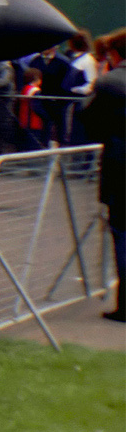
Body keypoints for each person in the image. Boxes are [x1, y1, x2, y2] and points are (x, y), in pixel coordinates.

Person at [77, 64, 125, 322]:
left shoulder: (110, 82)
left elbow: (89, 120)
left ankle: (125, 305)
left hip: (121, 166)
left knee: (123, 234)